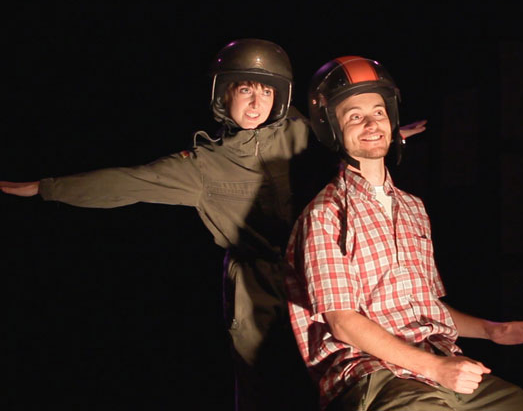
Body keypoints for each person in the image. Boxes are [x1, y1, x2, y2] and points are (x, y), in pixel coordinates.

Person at [1, 40, 426, 410]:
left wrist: (395, 135)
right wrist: (46, 188)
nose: (256, 103)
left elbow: (344, 135)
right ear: (225, 95)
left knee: (336, 379)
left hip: (317, 277)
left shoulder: (300, 131)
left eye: (266, 91)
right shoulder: (203, 165)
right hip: (256, 290)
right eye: (246, 90)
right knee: (263, 387)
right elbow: (128, 182)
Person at [285, 55, 523, 411]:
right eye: (355, 116)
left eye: (378, 112)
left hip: (439, 361)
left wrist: (491, 330)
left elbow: (425, 306)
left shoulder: (413, 208)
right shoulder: (324, 214)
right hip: (373, 374)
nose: (372, 123)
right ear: (332, 128)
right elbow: (343, 322)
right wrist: (436, 368)